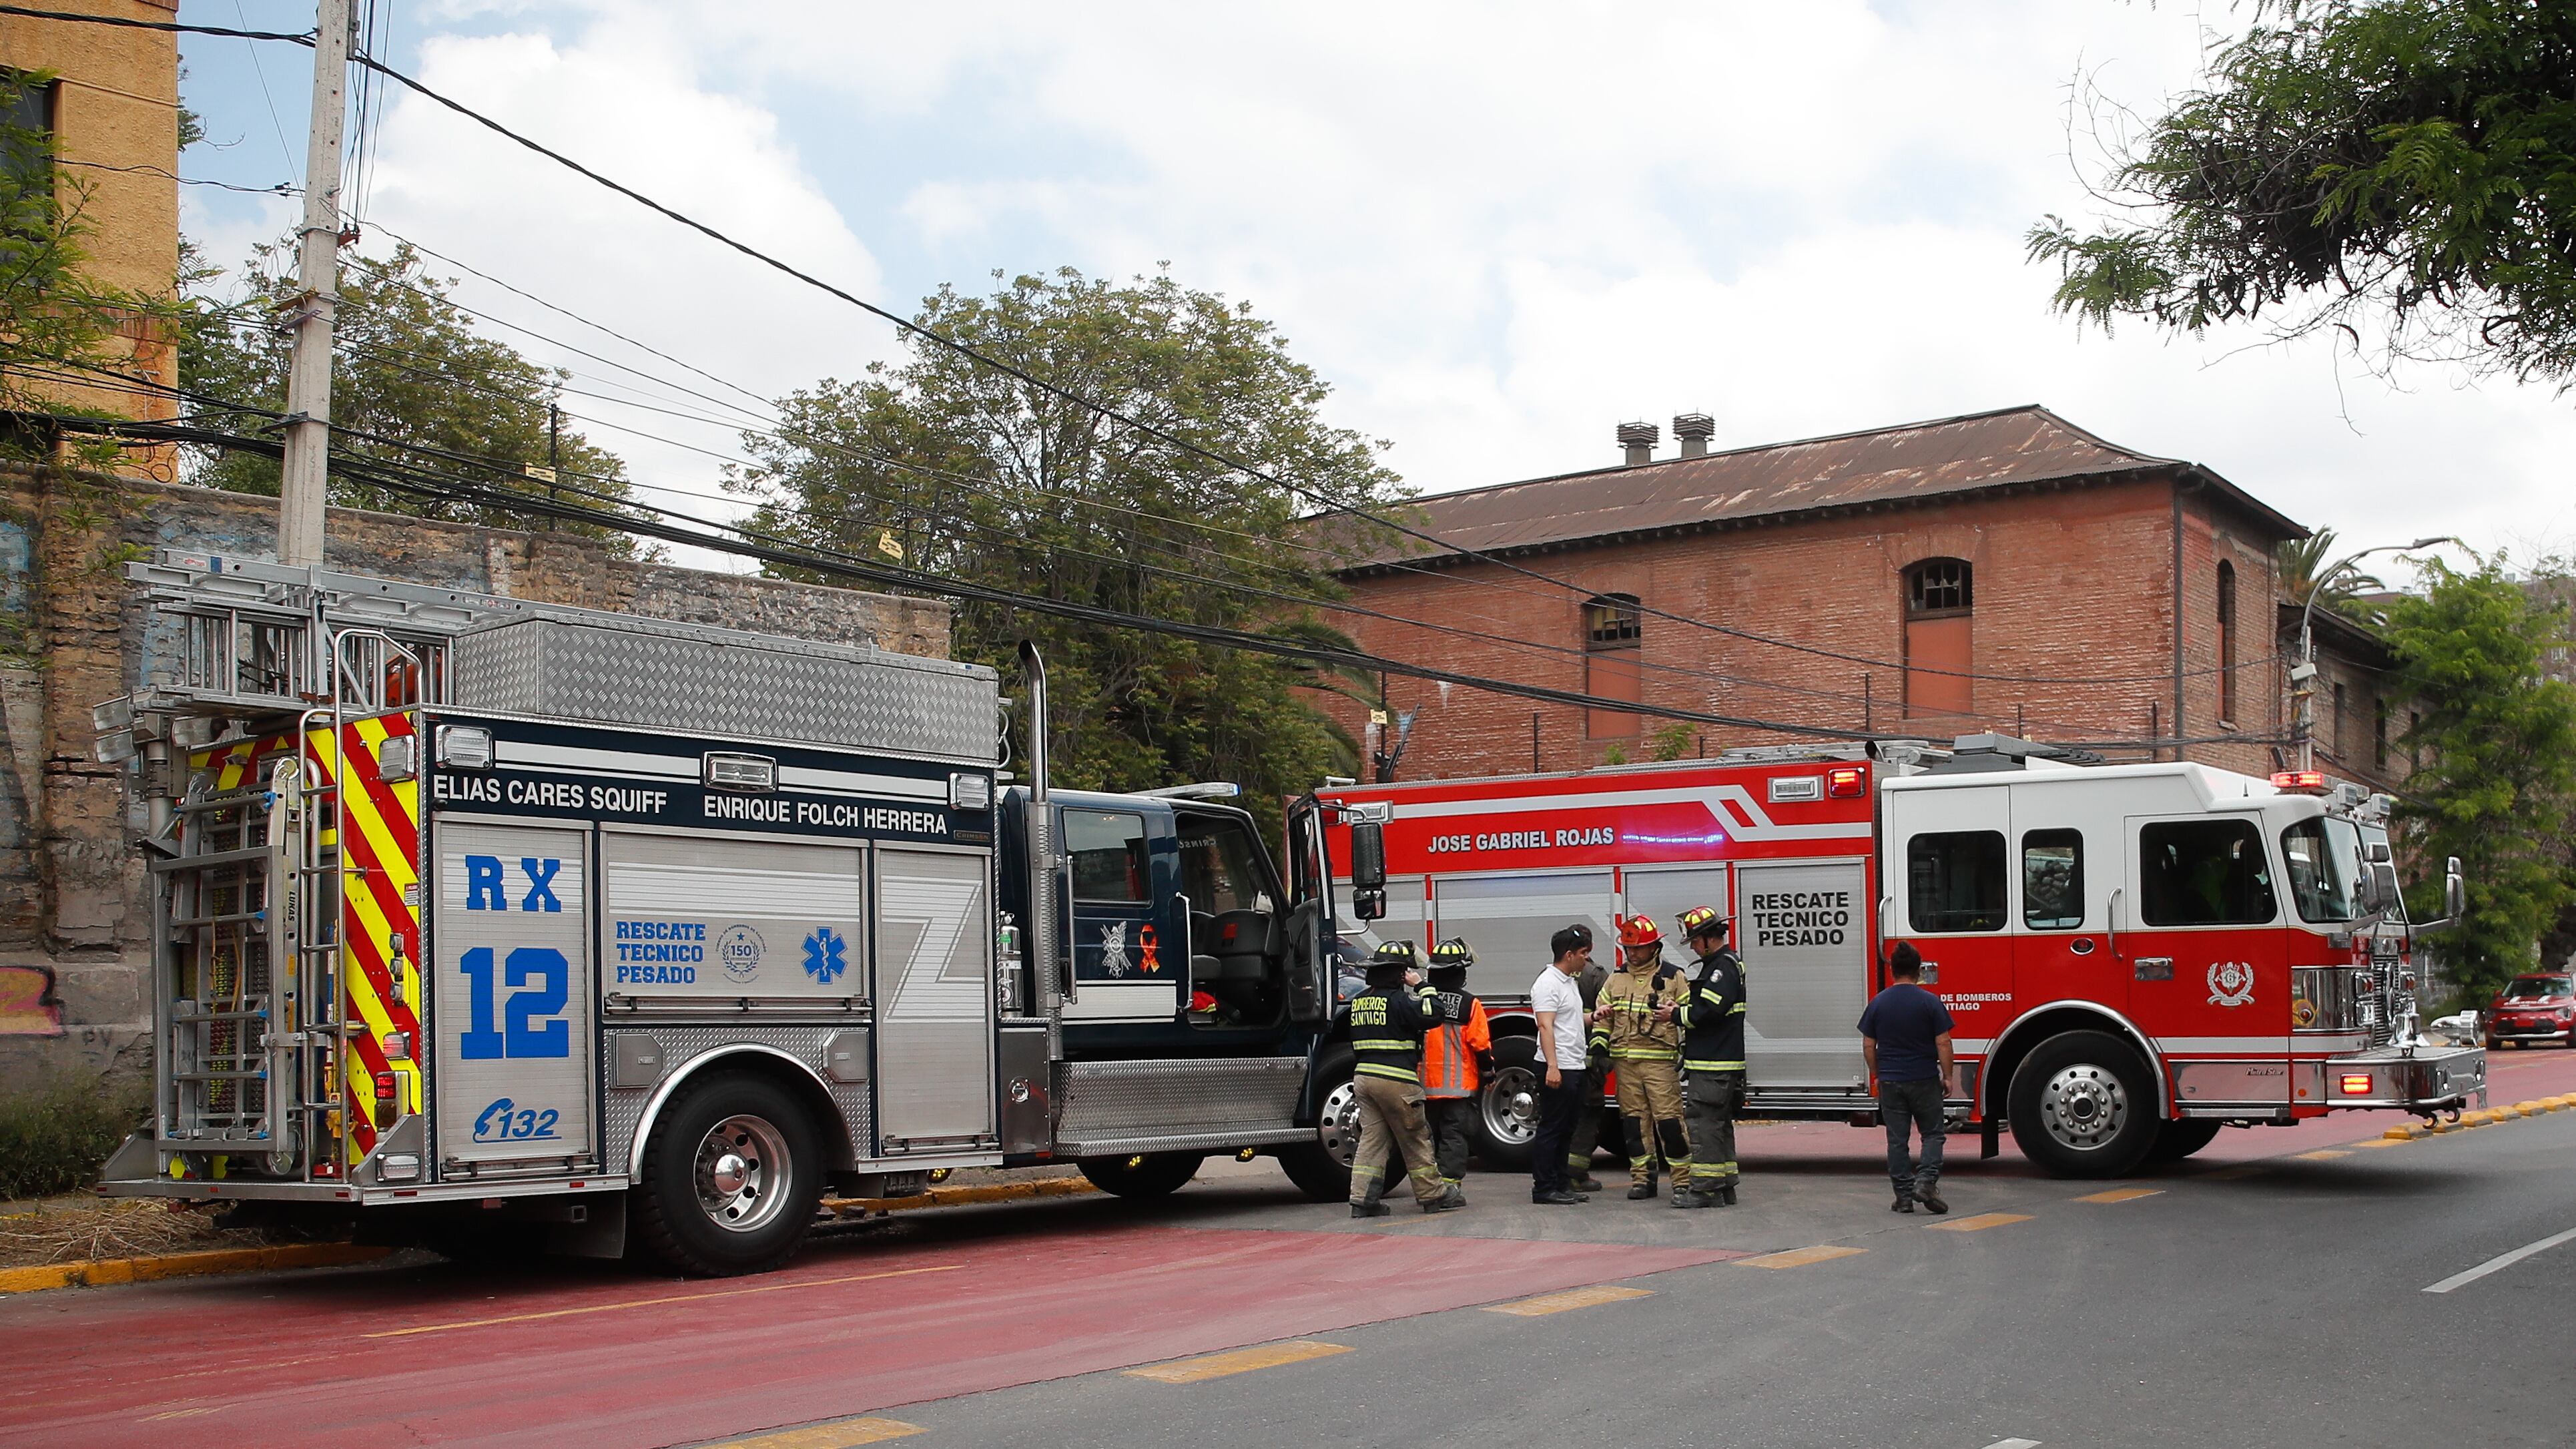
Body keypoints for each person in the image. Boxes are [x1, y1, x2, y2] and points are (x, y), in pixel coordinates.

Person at [1346, 940, 1460, 1217]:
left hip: (1364, 1078)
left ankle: (1362, 1200)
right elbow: (1435, 1013)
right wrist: (1422, 985)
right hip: (1397, 1080)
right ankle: (1433, 1195)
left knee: (1372, 1140)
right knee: (1415, 1138)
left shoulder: (1359, 1001)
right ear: (1398, 974)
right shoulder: (1399, 1001)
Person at [1592, 914, 1692, 1200]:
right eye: (1628, 948)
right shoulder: (1615, 979)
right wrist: (1598, 1048)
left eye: (1638, 948)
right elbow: (1603, 1018)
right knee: (1634, 1126)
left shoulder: (1674, 978)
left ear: (1654, 947)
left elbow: (1690, 1017)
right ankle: (1643, 1180)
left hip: (1660, 1065)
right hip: (1626, 1066)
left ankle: (1682, 1182)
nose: (1632, 954)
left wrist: (1688, 1051)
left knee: (1670, 1124)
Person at [1859, 940, 1957, 1215]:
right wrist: (1948, 1076)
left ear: (1893, 971)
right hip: (1924, 1079)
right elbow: (1944, 1042)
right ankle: (1925, 1182)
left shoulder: (1878, 1003)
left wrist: (1878, 1073)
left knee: (1897, 1140)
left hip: (1891, 1081)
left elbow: (1868, 1044)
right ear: (1918, 971)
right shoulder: (1930, 1002)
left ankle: (1903, 1198)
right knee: (1933, 1134)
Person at [1673, 904, 1746, 1208]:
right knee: (1718, 1126)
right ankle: (1725, 1185)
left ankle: (1705, 1190)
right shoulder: (1724, 964)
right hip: (1718, 1063)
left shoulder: (1721, 968)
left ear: (1708, 938)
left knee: (1703, 1126)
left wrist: (1674, 1015)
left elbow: (1708, 1012)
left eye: (1694, 940)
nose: (1693, 947)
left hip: (1713, 1064)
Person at [1418, 937, 1493, 1200]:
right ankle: (1449, 1190)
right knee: (1455, 1138)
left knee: (1427, 1140)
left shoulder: (1421, 1000)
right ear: (1460, 973)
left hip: (1424, 1087)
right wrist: (1489, 1074)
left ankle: (1427, 1189)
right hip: (1458, 1089)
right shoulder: (1469, 1004)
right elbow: (1481, 1046)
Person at [1529, 923, 1596, 1205]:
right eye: (1583, 953)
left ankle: (1561, 1183)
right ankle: (1544, 1188)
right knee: (1552, 1128)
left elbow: (1569, 1021)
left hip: (1574, 1065)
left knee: (1567, 1128)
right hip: (1559, 1067)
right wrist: (1553, 1067)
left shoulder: (1569, 982)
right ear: (1569, 955)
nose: (1587, 959)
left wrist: (1595, 1017)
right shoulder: (1547, 984)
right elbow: (1545, 1026)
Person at [1562, 926, 1612, 1194]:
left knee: (1565, 1116)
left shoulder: (1558, 975)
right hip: (1591, 1060)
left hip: (1565, 1060)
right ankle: (1575, 1174)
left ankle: (1562, 1171)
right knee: (1589, 1116)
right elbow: (1609, 1018)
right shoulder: (1597, 976)